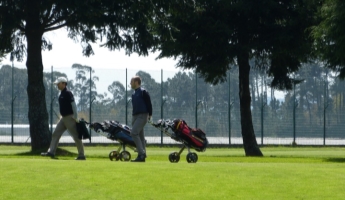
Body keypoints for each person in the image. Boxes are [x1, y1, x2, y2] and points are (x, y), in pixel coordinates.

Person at [41, 77, 86, 160]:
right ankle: (51, 152)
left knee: (76, 136)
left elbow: (74, 105)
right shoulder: (61, 93)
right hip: (63, 118)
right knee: (55, 134)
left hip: (70, 118)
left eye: (59, 83)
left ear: (64, 83)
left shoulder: (68, 93)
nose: (57, 85)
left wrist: (76, 117)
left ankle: (81, 155)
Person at [130, 76, 152, 162]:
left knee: (134, 133)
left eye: (131, 81)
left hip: (142, 115)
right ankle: (143, 155)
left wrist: (150, 114)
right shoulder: (133, 94)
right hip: (135, 116)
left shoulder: (143, 92)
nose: (130, 83)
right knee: (140, 136)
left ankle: (141, 154)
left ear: (136, 82)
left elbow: (149, 103)